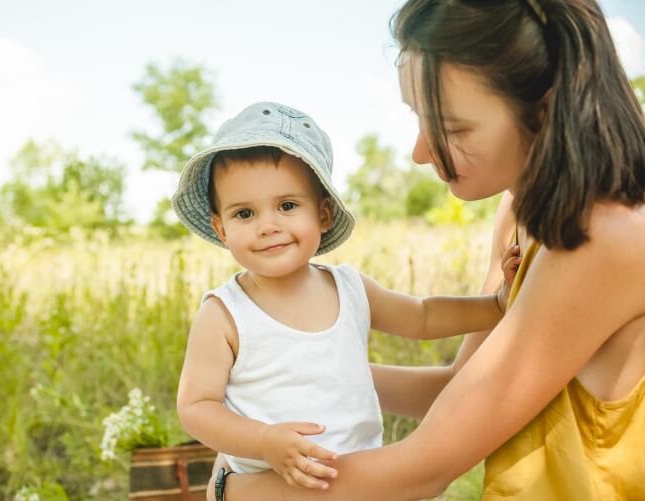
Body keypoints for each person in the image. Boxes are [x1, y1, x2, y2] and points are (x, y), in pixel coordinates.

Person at [210, 0, 645, 499]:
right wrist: (286, 375)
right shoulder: (519, 214)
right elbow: (462, 391)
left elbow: (425, 466)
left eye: (453, 129)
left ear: (545, 111)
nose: (420, 152)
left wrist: (233, 490)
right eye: (418, 117)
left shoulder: (606, 239)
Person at [172, 101, 519, 491]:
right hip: (275, 486)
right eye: (244, 214)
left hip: (358, 482)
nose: (267, 226)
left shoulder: (349, 288)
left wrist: (495, 306)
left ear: (323, 215)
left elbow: (422, 316)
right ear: (221, 229)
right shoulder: (225, 314)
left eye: (287, 206)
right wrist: (263, 441)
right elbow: (197, 406)